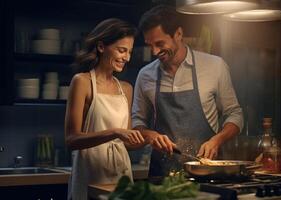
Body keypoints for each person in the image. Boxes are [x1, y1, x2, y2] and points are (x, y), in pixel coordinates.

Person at [132, 5, 243, 177]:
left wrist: (217, 140)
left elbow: (235, 114)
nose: (154, 52)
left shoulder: (214, 66)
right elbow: (137, 121)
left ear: (178, 34)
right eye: (150, 45)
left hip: (208, 172)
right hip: (162, 177)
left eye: (160, 43)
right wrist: (148, 134)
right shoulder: (145, 75)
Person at [64, 18, 144, 200]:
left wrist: (150, 138)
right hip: (90, 172)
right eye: (122, 50)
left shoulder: (126, 88)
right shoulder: (82, 82)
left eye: (130, 52)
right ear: (101, 47)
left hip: (121, 175)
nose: (127, 58)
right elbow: (71, 139)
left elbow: (129, 142)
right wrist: (115, 132)